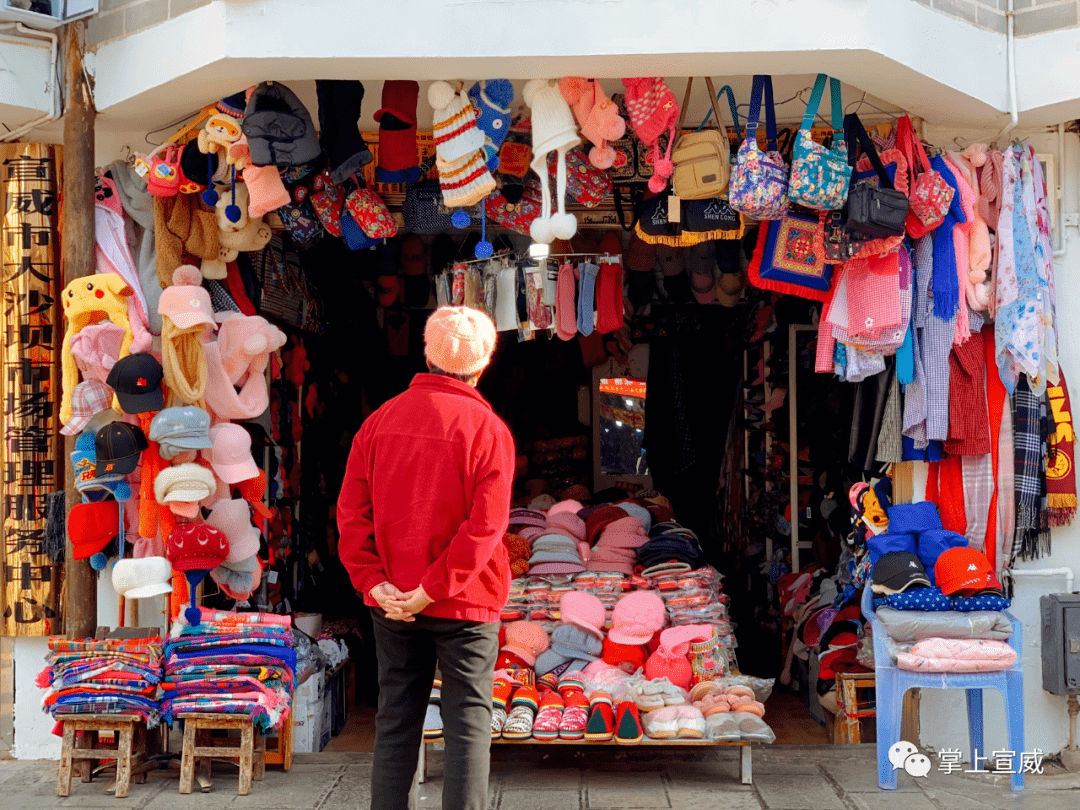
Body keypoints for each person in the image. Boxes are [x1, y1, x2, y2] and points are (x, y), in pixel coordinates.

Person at [337, 305, 514, 810]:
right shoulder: (488, 429)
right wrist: (435, 588)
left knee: (397, 722)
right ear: (481, 366)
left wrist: (374, 583)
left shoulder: (378, 422)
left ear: (427, 355)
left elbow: (352, 513)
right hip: (465, 602)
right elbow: (486, 527)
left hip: (393, 600)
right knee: (468, 725)